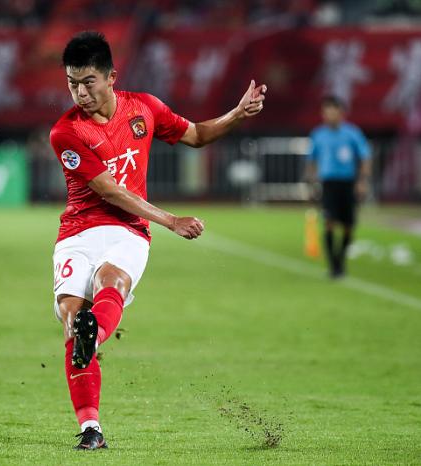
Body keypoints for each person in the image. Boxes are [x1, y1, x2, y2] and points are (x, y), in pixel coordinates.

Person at [49, 31, 267, 450]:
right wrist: (171, 220)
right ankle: (91, 428)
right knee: (71, 319)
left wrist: (238, 113)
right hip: (78, 232)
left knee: (111, 282)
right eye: (72, 84)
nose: (80, 93)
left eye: (88, 82)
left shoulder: (144, 108)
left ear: (111, 77)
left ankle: (94, 336)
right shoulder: (66, 132)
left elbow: (197, 135)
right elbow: (109, 191)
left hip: (129, 230)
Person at [305, 95, 371, 279]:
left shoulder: (352, 133)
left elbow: (365, 157)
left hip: (348, 183)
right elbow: (311, 160)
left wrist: (362, 181)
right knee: (329, 223)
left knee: (349, 226)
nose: (329, 115)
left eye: (332, 112)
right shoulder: (318, 135)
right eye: (326, 112)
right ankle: (333, 265)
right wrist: (310, 183)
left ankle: (341, 259)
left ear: (341, 113)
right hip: (328, 184)